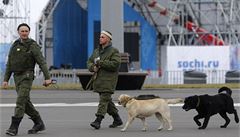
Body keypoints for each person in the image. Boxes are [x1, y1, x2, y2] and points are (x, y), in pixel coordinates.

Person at [2, 23, 52, 136]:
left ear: (28, 32)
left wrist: (47, 77)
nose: (24, 33)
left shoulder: (32, 45)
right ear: (18, 32)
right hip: (17, 77)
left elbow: (42, 62)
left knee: (20, 100)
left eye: (26, 31)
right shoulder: (14, 45)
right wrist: (6, 79)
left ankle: (14, 127)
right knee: (25, 101)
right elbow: (10, 63)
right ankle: (38, 122)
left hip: (27, 76)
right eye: (22, 31)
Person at [87, 30, 123, 130]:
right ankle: (117, 119)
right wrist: (92, 67)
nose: (100, 38)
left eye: (103, 37)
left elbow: (115, 65)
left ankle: (98, 120)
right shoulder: (96, 51)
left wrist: (101, 63)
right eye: (100, 37)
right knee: (107, 101)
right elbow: (89, 61)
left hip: (108, 80)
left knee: (103, 100)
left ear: (108, 39)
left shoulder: (114, 51)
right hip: (98, 80)